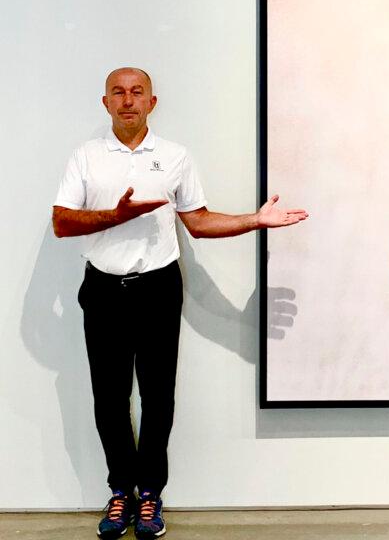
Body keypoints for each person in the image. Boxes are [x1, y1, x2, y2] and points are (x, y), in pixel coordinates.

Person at [52, 67, 307, 539]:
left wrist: (256, 219)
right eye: (118, 92)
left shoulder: (174, 157)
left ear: (152, 102)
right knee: (109, 400)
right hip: (104, 290)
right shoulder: (85, 157)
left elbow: (200, 221)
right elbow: (62, 223)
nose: (128, 100)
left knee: (157, 397)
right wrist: (116, 216)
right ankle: (119, 492)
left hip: (157, 289)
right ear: (105, 102)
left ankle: (149, 494)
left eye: (137, 92)